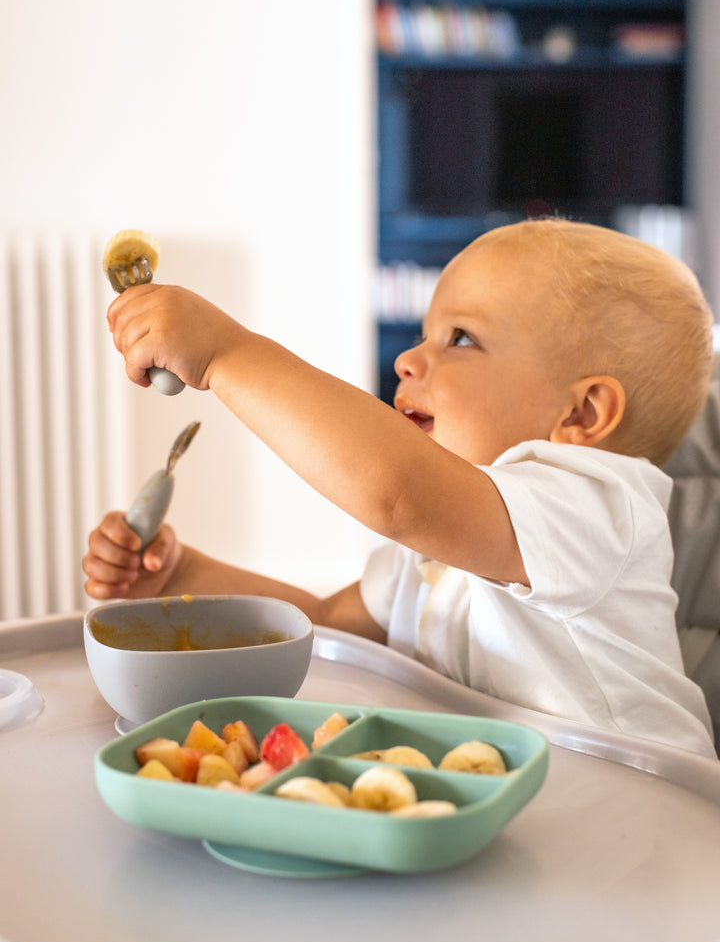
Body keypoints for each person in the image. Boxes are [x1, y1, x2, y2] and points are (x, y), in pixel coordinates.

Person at [83, 218, 717, 758]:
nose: (407, 360)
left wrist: (227, 354)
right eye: (422, 334)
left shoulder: (596, 506)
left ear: (582, 414)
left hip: (649, 823)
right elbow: (329, 623)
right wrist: (180, 577)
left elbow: (398, 493)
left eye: (460, 339)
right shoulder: (442, 547)